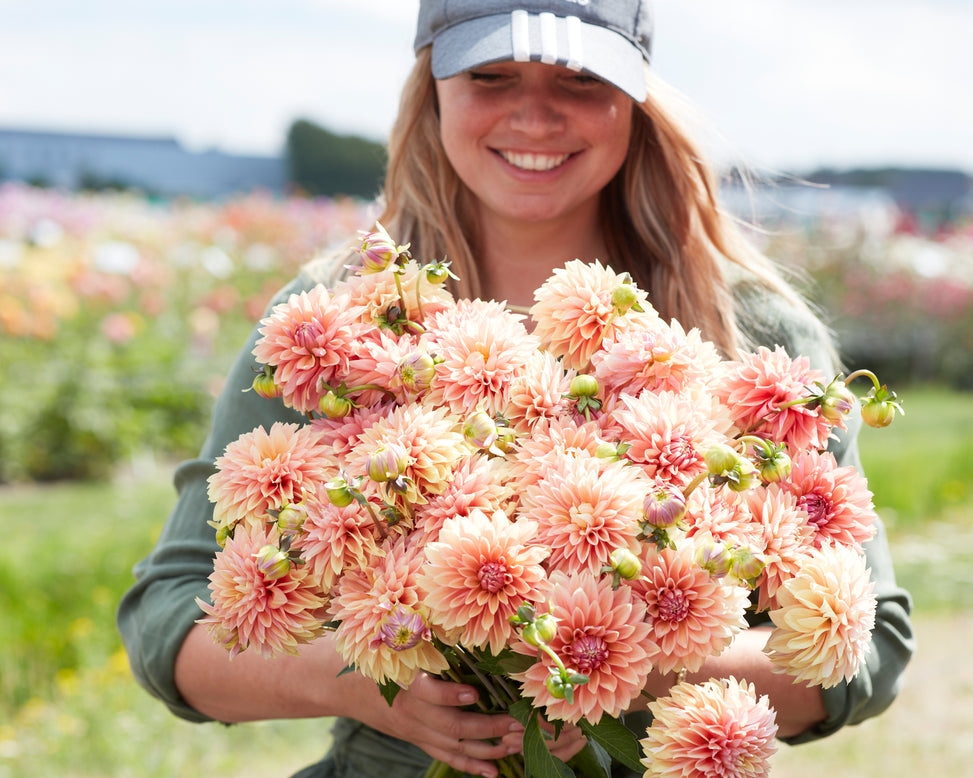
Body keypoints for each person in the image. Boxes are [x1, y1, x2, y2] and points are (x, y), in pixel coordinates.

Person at [117, 2, 915, 777]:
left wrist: (620, 668)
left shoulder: (752, 331)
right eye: (491, 77)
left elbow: (867, 648)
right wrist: (368, 680)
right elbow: (167, 622)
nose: (534, 118)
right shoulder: (334, 324)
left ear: (635, 99)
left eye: (578, 81)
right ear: (431, 92)